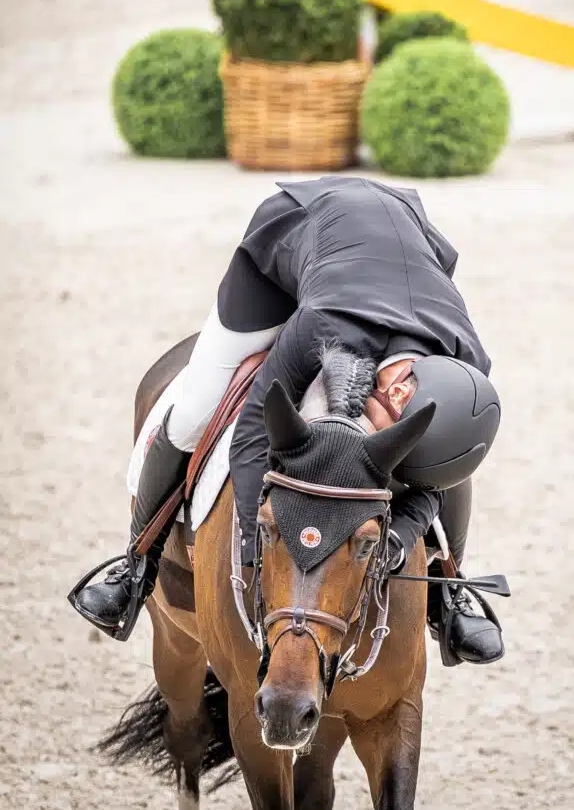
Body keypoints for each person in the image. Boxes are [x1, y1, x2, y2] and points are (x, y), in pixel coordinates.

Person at [72, 176, 504, 664]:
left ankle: (450, 590)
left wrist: (399, 542)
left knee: (447, 461)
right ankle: (136, 564)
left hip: (400, 244)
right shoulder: (321, 320)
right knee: (195, 409)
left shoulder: (468, 364)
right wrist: (255, 548)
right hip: (287, 250)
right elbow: (253, 435)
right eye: (385, 418)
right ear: (400, 388)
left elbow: (434, 477)